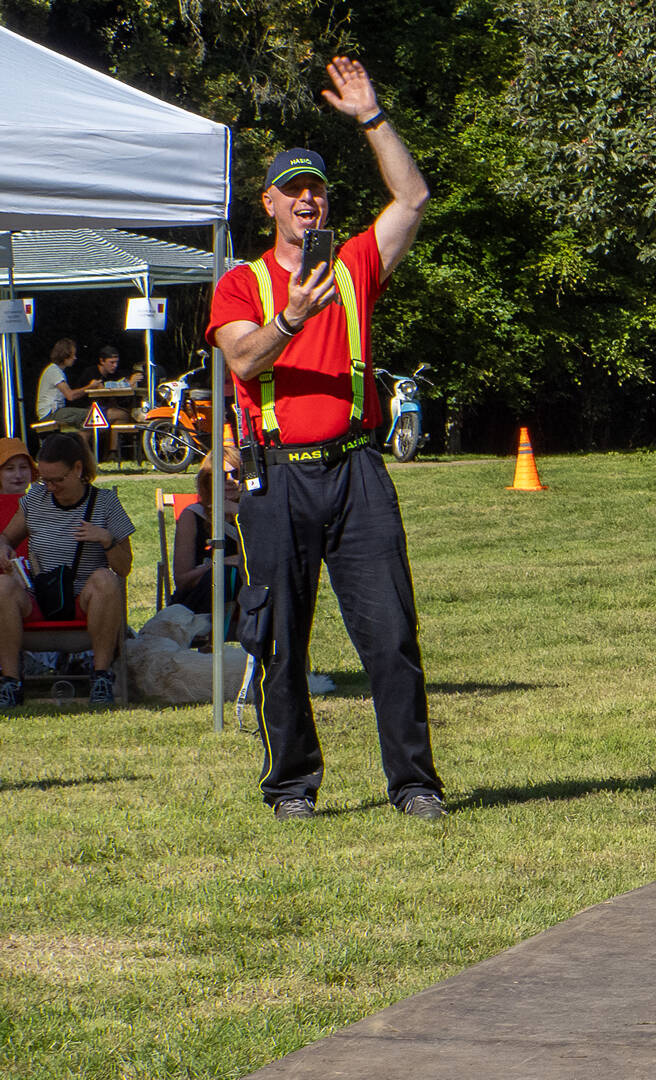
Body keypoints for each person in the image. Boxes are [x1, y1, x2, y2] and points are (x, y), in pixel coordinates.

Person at [206, 56, 443, 823]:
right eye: (294, 190)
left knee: (392, 636)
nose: (307, 200)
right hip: (276, 477)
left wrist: (372, 117)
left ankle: (414, 784)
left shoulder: (354, 267)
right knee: (279, 639)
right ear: (269, 203)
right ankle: (292, 788)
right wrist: (290, 319)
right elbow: (244, 359)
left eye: (317, 189)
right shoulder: (242, 283)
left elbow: (413, 197)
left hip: (356, 469)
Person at [0, 434, 135, 706]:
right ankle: (10, 681)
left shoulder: (105, 503)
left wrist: (107, 540)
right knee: (2, 586)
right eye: (45, 480)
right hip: (40, 596)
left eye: (58, 480)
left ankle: (101, 676)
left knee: (105, 579)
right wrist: (2, 547)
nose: (50, 487)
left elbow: (124, 568)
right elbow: (6, 537)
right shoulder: (35, 499)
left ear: (78, 469)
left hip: (84, 600)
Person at [167, 447, 243, 616]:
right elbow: (182, 581)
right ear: (207, 480)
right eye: (222, 476)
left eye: (236, 474)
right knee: (225, 576)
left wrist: (240, 513)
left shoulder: (254, 513)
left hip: (245, 599)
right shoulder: (192, 515)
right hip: (200, 605)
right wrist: (222, 562)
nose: (230, 481)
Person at [36, 339, 89, 429]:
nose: (75, 358)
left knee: (82, 421)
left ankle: (78, 436)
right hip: (50, 414)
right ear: (65, 355)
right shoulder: (54, 371)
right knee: (89, 415)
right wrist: (90, 387)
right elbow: (70, 396)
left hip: (54, 412)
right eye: (73, 355)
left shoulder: (57, 371)